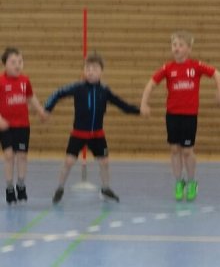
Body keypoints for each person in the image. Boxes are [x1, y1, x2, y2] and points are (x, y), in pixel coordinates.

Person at [44, 52, 140, 204]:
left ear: (101, 71)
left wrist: (138, 111)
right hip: (78, 133)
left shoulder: (104, 90)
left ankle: (105, 189)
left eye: (94, 69)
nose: (90, 72)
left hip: (97, 135)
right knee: (68, 162)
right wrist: (47, 108)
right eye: (87, 68)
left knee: (104, 162)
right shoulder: (78, 87)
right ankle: (60, 188)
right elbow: (57, 93)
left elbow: (121, 104)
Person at [140, 31, 220, 202]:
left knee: (187, 151)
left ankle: (192, 182)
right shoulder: (167, 68)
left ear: (189, 49)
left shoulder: (196, 66)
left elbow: (216, 73)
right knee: (174, 149)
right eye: (174, 45)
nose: (176, 48)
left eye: (180, 45)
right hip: (172, 115)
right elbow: (151, 84)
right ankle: (179, 182)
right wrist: (144, 103)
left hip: (189, 115)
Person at [0, 47, 47, 204]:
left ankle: (20, 185)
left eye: (20, 62)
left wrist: (40, 111)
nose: (17, 65)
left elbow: (30, 97)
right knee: (8, 156)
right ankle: (9, 187)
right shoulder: (1, 82)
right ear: (5, 64)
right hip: (6, 126)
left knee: (22, 155)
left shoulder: (25, 81)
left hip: (22, 125)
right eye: (13, 62)